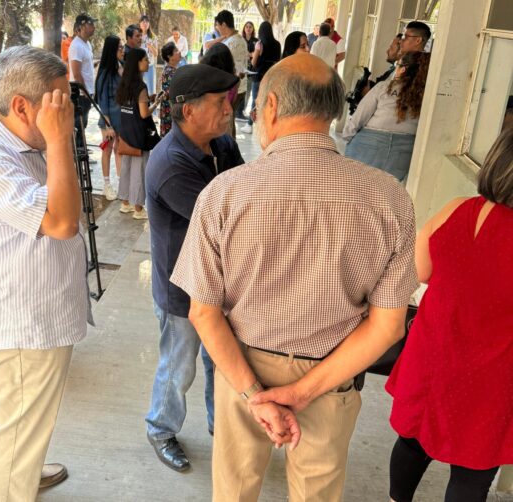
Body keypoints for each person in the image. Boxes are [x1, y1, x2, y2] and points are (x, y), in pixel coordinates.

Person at [171, 53, 418, 502]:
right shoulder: (389, 199)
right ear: (334, 111)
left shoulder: (224, 194)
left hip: (242, 368)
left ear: (271, 106)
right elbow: (388, 327)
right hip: (331, 375)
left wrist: (254, 393)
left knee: (234, 492)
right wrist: (304, 392)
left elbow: (203, 313)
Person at [0, 45, 91, 501]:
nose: (67, 111)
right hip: (21, 326)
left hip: (38, 317)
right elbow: (62, 222)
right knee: (15, 432)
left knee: (28, 425)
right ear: (21, 106)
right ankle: (13, 484)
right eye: (58, 101)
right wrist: (60, 140)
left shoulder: (20, 139)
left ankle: (22, 471)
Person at [386, 127, 513, 502]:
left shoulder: (457, 210)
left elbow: (419, 270)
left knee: (412, 442)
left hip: (434, 356)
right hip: (495, 374)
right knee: (474, 469)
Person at [145, 63, 244, 472]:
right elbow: (228, 223)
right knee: (179, 366)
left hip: (221, 284)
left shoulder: (220, 145)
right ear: (188, 111)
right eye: (219, 102)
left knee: (220, 362)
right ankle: (160, 429)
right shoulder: (170, 163)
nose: (228, 109)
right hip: (182, 291)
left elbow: (244, 192)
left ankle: (222, 428)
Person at [343, 51, 431, 182]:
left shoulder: (384, 87)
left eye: (397, 65)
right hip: (403, 153)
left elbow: (359, 117)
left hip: (367, 144)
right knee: (384, 191)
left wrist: (348, 137)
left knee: (354, 187)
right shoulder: (427, 95)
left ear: (403, 69)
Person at [115, 48, 162, 220]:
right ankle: (138, 208)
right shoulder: (140, 87)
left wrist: (148, 99)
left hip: (125, 132)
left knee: (126, 169)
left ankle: (125, 203)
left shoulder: (124, 83)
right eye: (145, 59)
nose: (148, 62)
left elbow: (131, 106)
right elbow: (143, 113)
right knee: (140, 171)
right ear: (137, 63)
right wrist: (156, 103)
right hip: (139, 134)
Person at [207, 10, 248, 130]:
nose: (217, 28)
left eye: (218, 25)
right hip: (240, 87)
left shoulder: (230, 43)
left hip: (232, 89)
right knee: (229, 120)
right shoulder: (239, 39)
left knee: (226, 122)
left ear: (224, 24)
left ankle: (227, 142)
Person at [95, 35, 124, 201]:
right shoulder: (105, 73)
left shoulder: (120, 66)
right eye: (120, 48)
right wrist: (108, 125)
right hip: (109, 119)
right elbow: (103, 101)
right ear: (112, 50)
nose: (122, 50)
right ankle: (107, 185)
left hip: (120, 117)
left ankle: (121, 184)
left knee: (119, 150)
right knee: (107, 150)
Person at [241, 21, 281, 134]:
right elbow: (278, 61)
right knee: (269, 101)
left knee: (256, 101)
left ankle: (249, 125)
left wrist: (253, 57)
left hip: (259, 76)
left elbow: (253, 62)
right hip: (271, 76)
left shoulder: (259, 44)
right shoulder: (277, 44)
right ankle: (266, 126)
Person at [68, 13, 96, 150]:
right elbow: (77, 73)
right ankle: (77, 152)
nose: (94, 27)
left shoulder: (87, 44)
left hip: (87, 92)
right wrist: (84, 91)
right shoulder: (76, 46)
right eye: (90, 24)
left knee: (83, 123)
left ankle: (81, 149)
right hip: (80, 93)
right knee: (78, 123)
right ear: (81, 26)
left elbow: (85, 66)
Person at [158, 41, 181, 136]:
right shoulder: (170, 72)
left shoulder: (170, 70)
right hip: (170, 110)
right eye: (176, 51)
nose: (179, 52)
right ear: (169, 57)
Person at [238, 21, 257, 120]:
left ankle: (243, 110)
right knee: (240, 91)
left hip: (251, 70)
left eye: (250, 27)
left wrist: (249, 54)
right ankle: (239, 111)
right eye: (247, 27)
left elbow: (256, 54)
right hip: (241, 69)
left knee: (248, 92)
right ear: (244, 29)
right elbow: (240, 53)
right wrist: (251, 54)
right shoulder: (240, 40)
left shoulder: (256, 41)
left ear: (253, 29)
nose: (248, 28)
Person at [139, 15, 157, 96]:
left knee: (150, 90)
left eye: (147, 22)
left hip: (149, 66)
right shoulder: (137, 36)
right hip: (138, 66)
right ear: (139, 24)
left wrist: (150, 46)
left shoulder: (153, 37)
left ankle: (151, 103)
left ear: (149, 24)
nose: (145, 23)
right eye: (143, 22)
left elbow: (156, 54)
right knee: (138, 89)